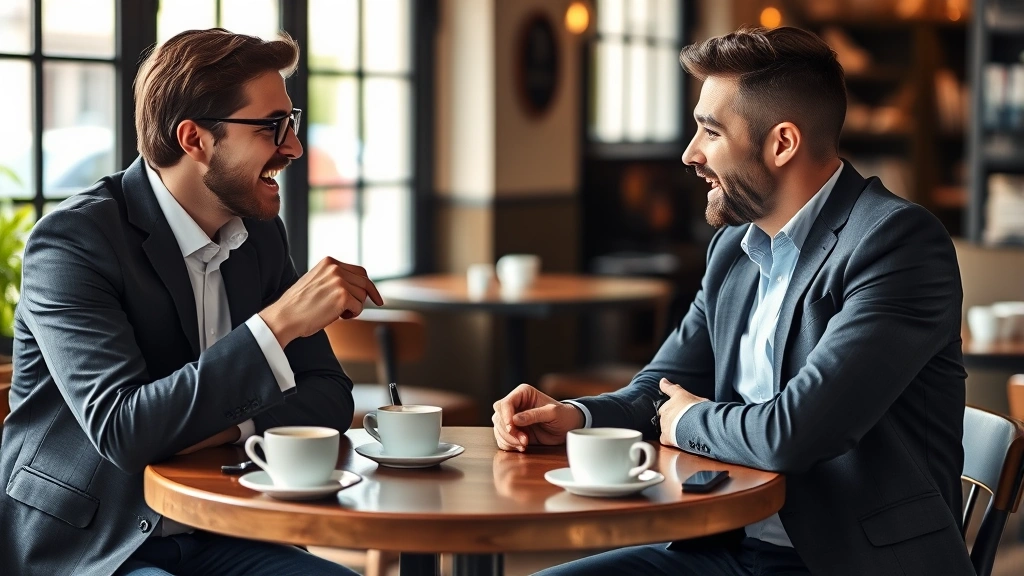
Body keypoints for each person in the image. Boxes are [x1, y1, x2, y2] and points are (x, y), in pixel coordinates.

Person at [492, 26, 973, 576]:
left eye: (710, 131)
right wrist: (575, 417)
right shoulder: (733, 250)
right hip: (719, 547)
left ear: (782, 143)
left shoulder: (897, 244)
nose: (689, 153)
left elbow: (791, 434)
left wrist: (689, 418)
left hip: (844, 562)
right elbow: (661, 389)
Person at [0, 29, 381, 576]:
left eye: (291, 121)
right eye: (274, 126)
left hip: (227, 525)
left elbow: (328, 396)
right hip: (96, 544)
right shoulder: (74, 242)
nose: (294, 145)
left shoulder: (261, 236)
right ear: (195, 139)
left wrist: (216, 427)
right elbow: (124, 431)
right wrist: (277, 326)